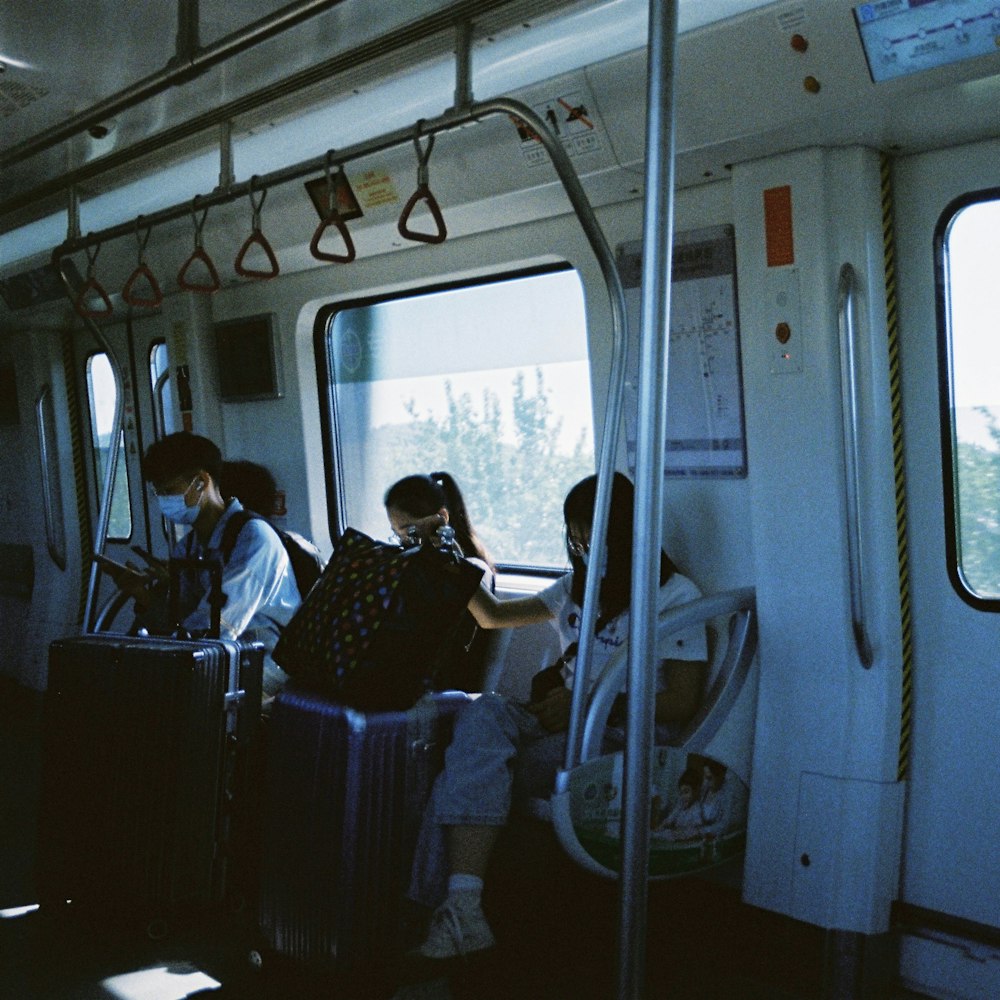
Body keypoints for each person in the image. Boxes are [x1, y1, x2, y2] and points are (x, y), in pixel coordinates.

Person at [410, 472, 708, 959]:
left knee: (464, 772)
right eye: (575, 539)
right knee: (481, 716)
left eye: (596, 538)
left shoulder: (676, 598)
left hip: (617, 732)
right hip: (560, 715)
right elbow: (492, 615)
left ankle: (448, 908)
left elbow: (681, 701)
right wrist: (447, 563)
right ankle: (461, 908)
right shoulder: (578, 588)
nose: (585, 550)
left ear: (629, 533)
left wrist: (592, 701)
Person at [114, 432, 302, 708]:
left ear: (201, 482)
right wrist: (145, 596)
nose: (164, 502)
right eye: (159, 493)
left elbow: (218, 624)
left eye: (169, 491)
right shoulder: (188, 547)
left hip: (267, 661)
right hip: (226, 654)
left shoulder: (253, 538)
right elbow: (183, 618)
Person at [384, 472, 496, 693]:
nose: (405, 543)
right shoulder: (416, 566)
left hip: (445, 684)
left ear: (441, 517)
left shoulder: (469, 570)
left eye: (411, 532)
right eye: (398, 535)